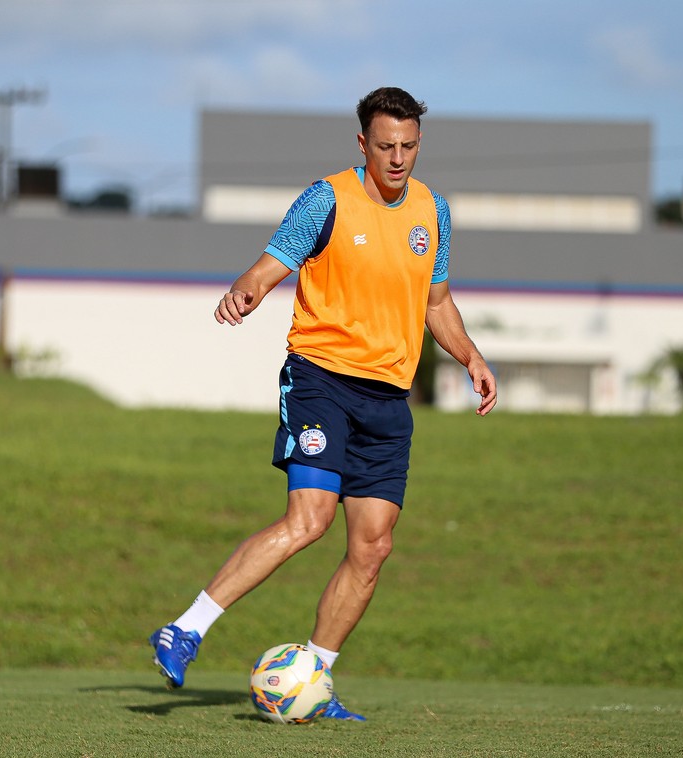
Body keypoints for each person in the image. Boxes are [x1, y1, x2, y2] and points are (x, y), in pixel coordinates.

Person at [149, 86, 497, 721]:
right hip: (322, 380)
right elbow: (274, 259)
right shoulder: (327, 200)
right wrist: (247, 288)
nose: (398, 158)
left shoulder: (432, 211)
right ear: (362, 143)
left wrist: (469, 354)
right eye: (386, 146)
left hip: (388, 399)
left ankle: (313, 677)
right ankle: (186, 628)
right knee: (309, 520)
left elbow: (436, 302)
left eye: (409, 146)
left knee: (373, 546)